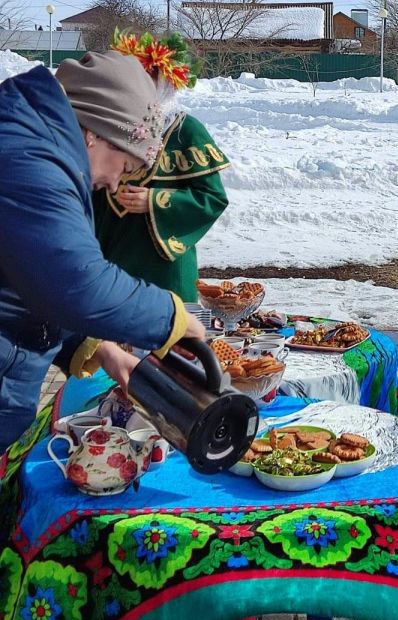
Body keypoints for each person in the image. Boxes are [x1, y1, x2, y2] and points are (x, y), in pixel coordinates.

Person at [0, 51, 206, 452]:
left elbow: (30, 276)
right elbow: (75, 285)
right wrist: (174, 318)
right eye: (124, 165)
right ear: (95, 131)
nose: (114, 183)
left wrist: (97, 348)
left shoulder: (32, 141)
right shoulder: (30, 162)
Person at [93, 31, 230, 303]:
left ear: (167, 82)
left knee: (171, 338)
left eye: (149, 78)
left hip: (166, 268)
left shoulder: (185, 132)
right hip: (111, 253)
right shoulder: (105, 128)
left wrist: (156, 201)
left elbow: (212, 199)